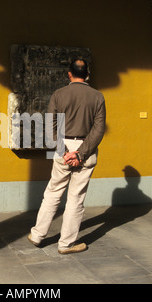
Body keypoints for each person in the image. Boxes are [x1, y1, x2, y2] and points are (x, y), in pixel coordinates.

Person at [28, 58, 106, 254]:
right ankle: (66, 244)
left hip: (61, 146)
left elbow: (49, 128)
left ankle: (37, 235)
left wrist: (63, 151)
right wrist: (80, 153)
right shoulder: (97, 97)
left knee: (53, 192)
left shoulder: (58, 94)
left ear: (69, 74)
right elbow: (98, 130)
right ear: (87, 74)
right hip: (84, 149)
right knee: (76, 198)